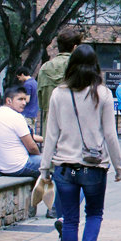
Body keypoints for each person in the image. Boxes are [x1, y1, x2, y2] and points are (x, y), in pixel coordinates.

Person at [40, 45, 121, 241]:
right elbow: (110, 134)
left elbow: (51, 133)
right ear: (95, 65)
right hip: (94, 166)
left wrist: (45, 167)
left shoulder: (59, 93)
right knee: (94, 214)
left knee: (69, 220)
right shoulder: (102, 93)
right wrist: (119, 166)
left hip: (64, 167)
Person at [35, 28, 82, 217]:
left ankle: (55, 205)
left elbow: (40, 101)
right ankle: (64, 211)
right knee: (79, 175)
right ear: (75, 47)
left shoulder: (45, 68)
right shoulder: (79, 67)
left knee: (56, 170)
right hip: (75, 127)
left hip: (50, 125)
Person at [0, 86, 43, 177]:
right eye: (20, 99)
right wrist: (39, 157)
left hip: (2, 167)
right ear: (9, 101)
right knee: (59, 164)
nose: (24, 103)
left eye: (24, 99)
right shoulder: (16, 117)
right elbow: (31, 147)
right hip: (20, 165)